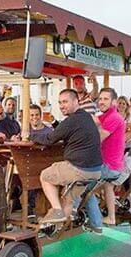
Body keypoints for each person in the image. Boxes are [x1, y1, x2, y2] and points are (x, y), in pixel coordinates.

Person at [30, 89, 102, 224]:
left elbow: (49, 139)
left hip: (80, 169)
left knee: (45, 176)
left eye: (65, 102)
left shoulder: (72, 120)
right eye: (59, 102)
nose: (62, 105)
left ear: (76, 101)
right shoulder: (85, 116)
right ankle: (57, 230)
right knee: (67, 199)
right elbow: (64, 131)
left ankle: (56, 210)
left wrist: (30, 135)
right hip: (95, 171)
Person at [92, 88, 125, 226]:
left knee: (79, 186)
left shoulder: (113, 117)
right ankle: (111, 217)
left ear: (114, 102)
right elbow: (94, 120)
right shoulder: (107, 115)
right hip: (114, 165)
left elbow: (98, 138)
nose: (101, 102)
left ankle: (94, 220)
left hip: (108, 166)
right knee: (107, 187)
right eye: (100, 99)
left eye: (106, 99)